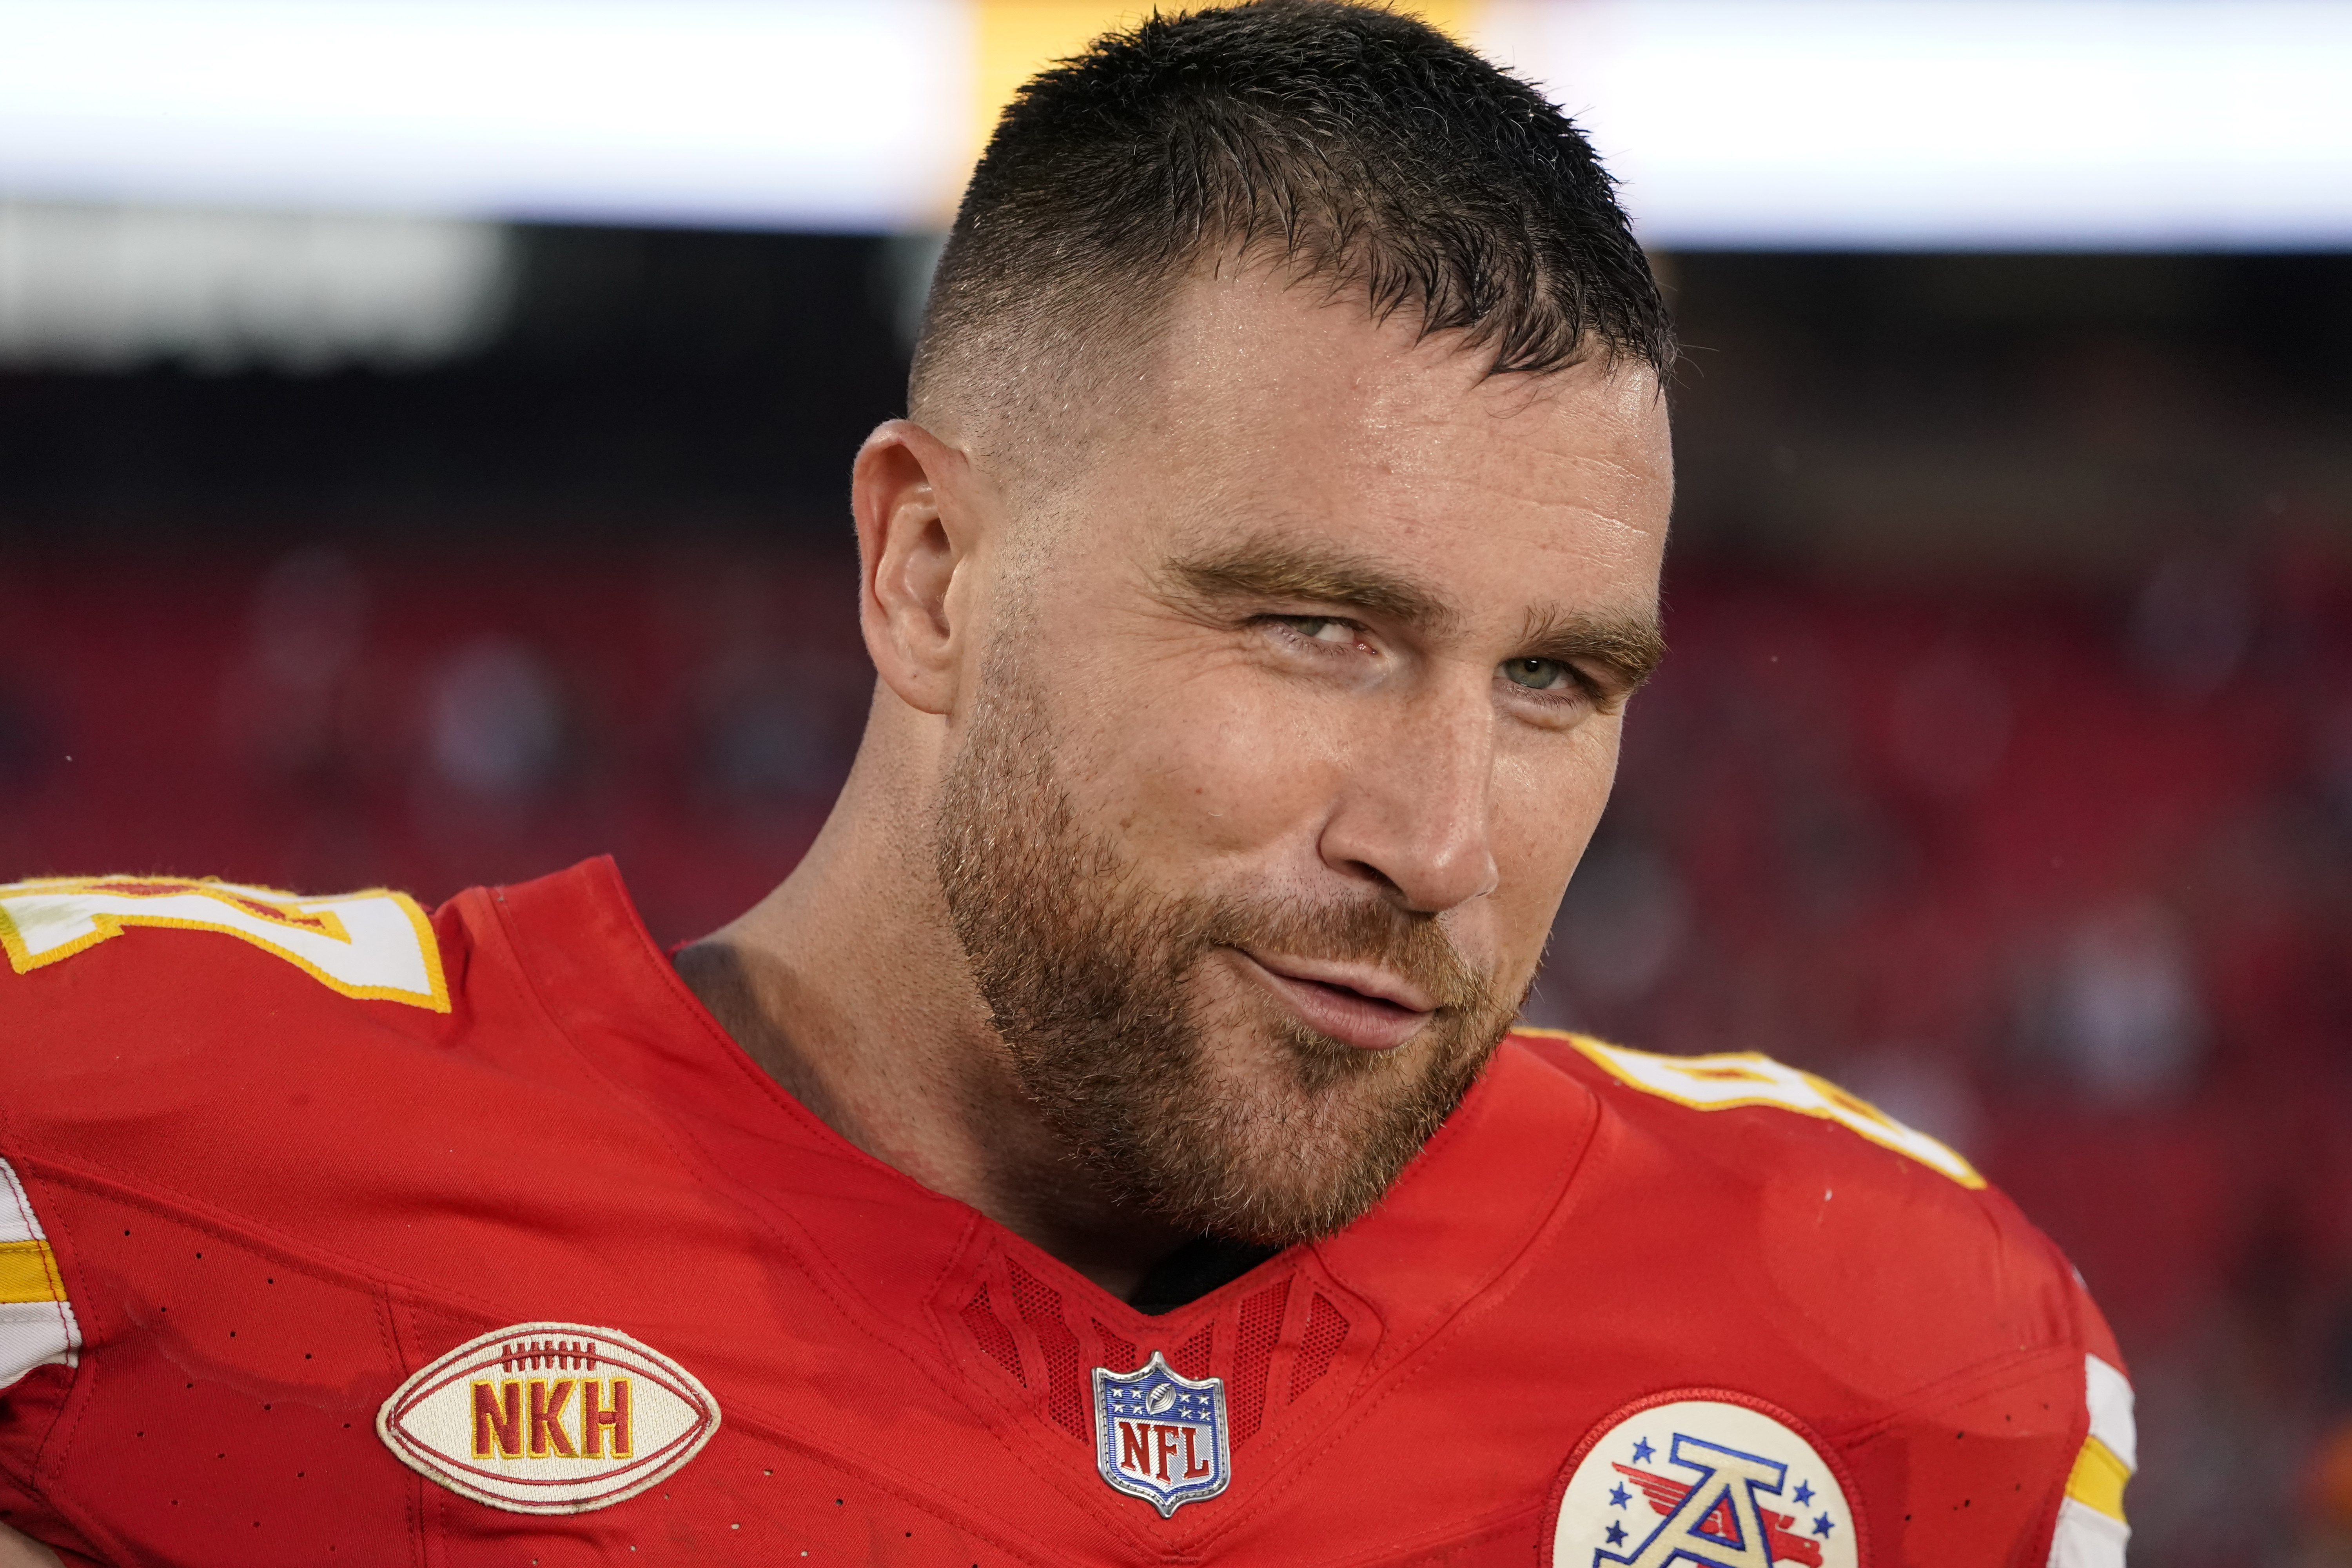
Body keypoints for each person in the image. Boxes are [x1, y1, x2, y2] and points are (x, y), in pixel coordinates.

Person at [0, 4, 2133, 1564]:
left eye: (1560, 678)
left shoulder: (1893, 1362)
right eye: (1318, 630)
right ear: (929, 573)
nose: (1443, 840)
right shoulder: (122, 1179)